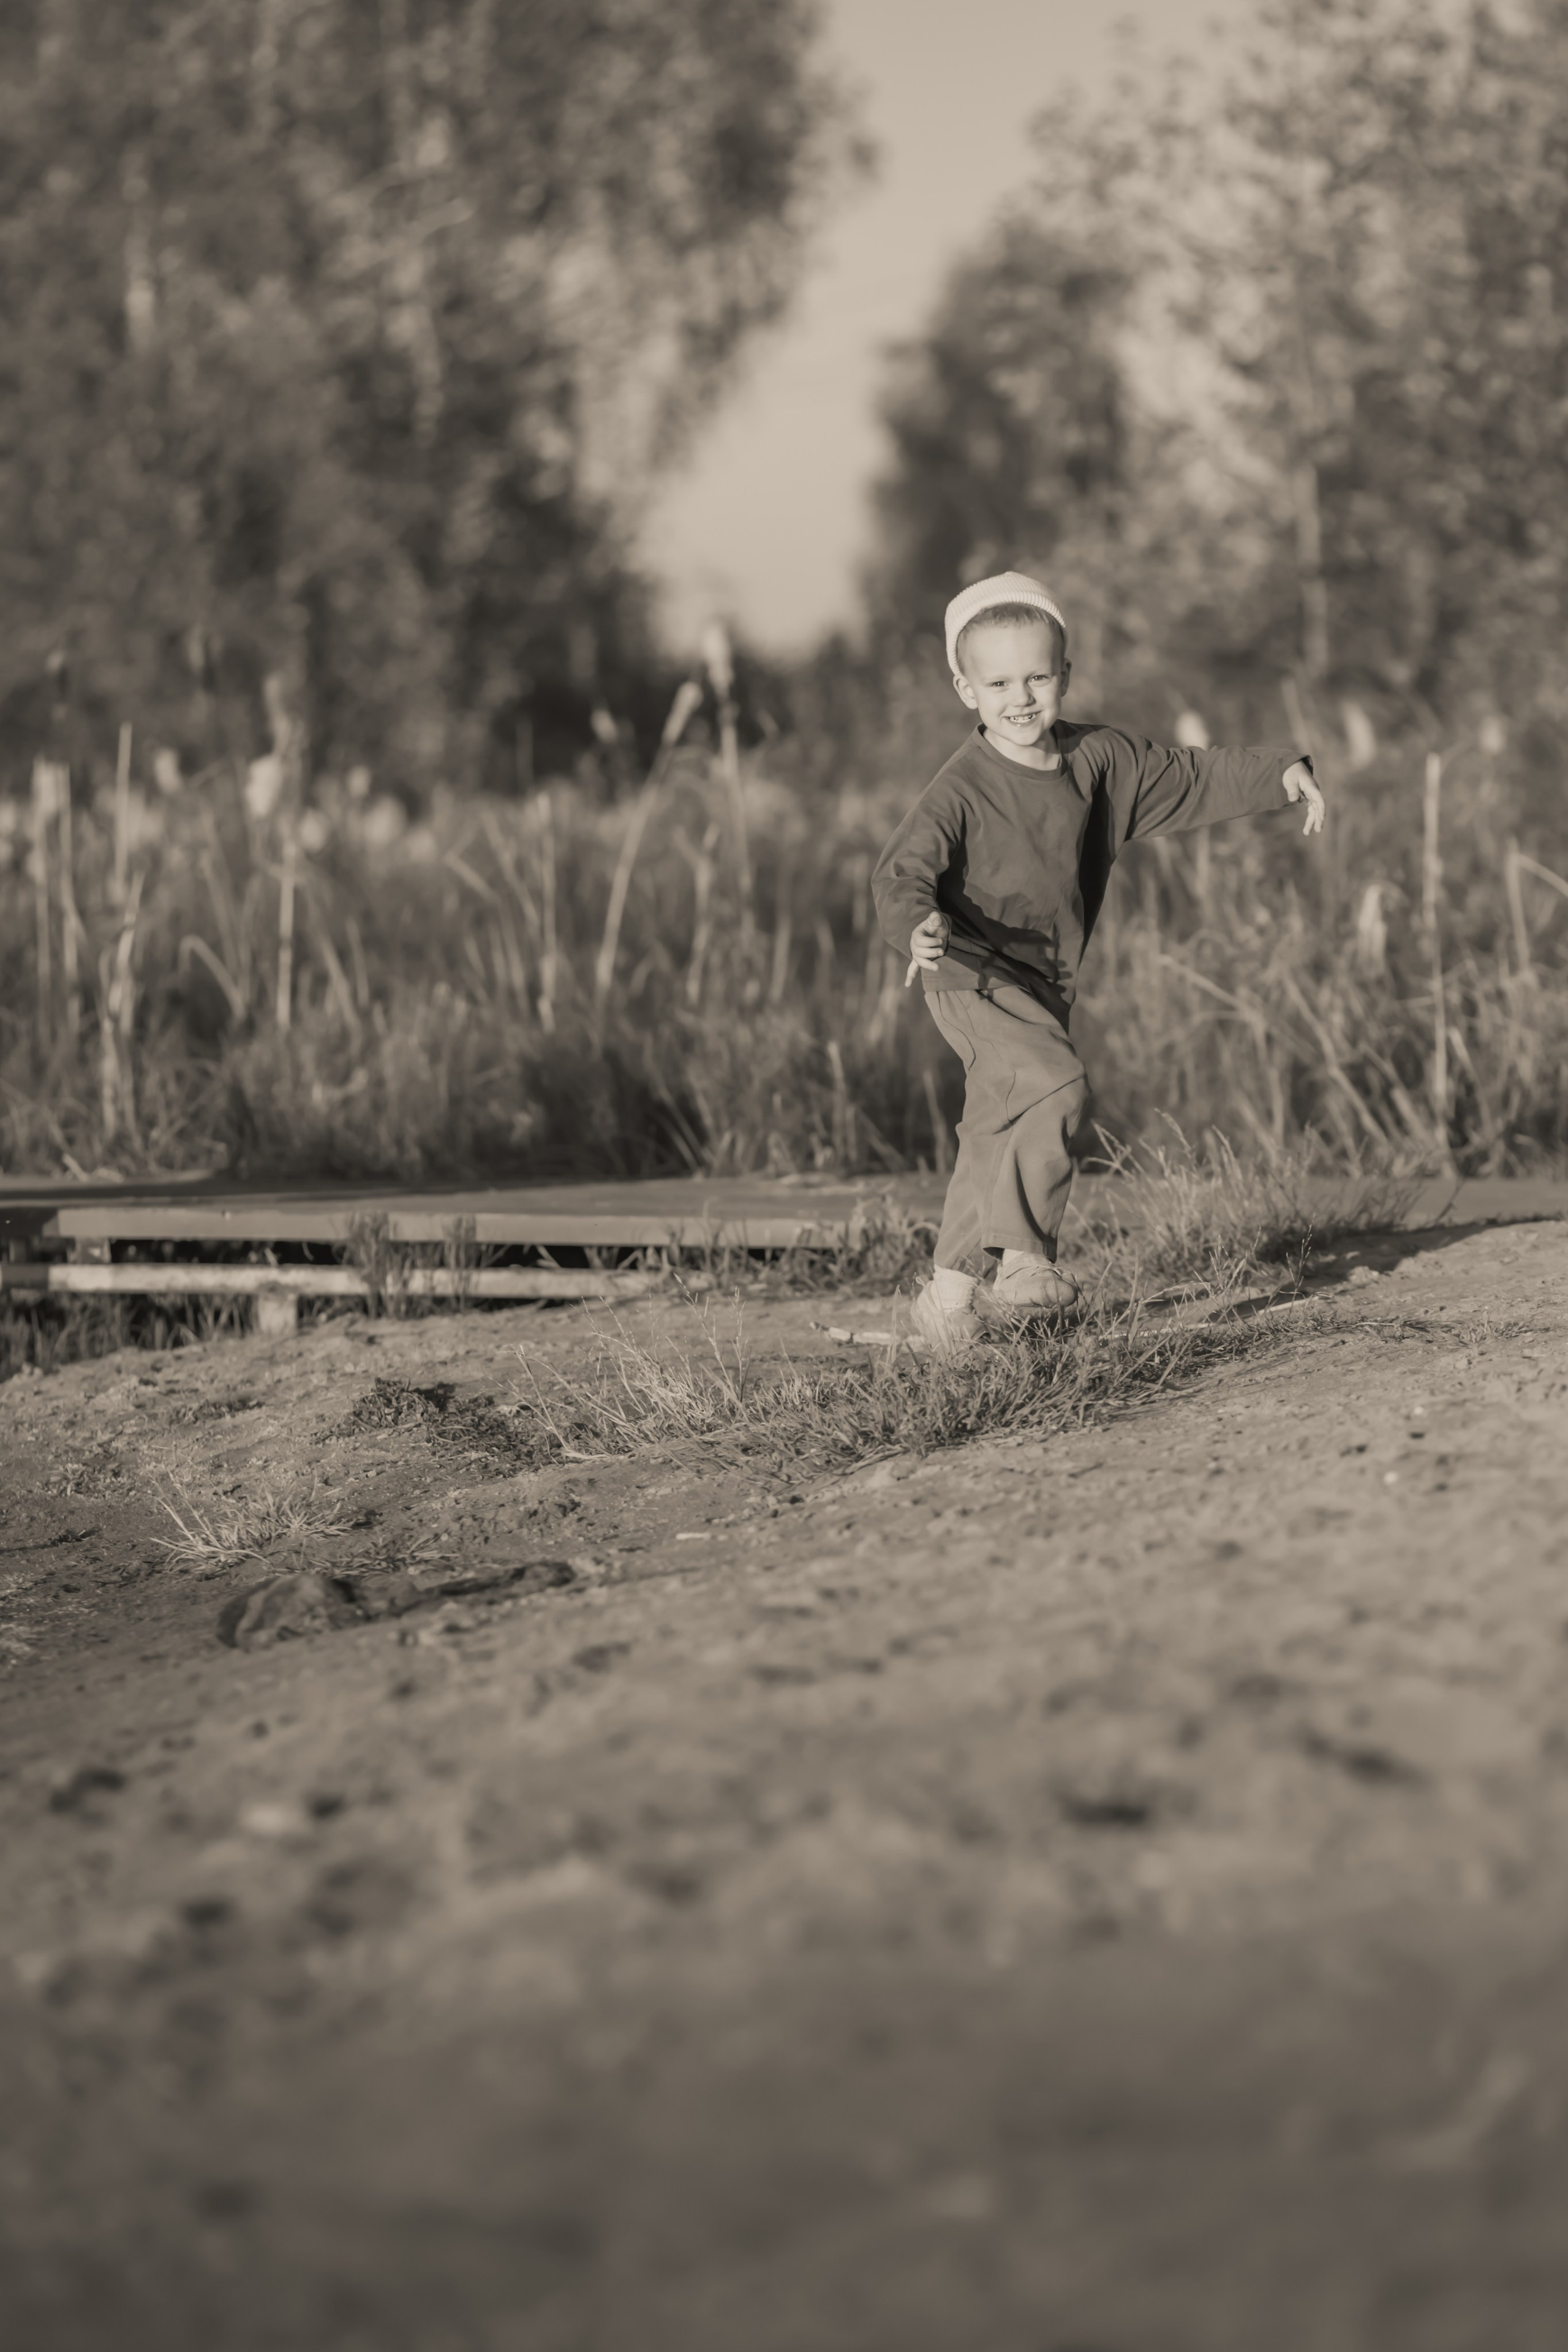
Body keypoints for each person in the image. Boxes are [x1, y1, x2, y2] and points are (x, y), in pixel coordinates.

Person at [871, 570, 1326, 1352]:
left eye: (1038, 677)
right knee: (1056, 1082)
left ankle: (944, 1308)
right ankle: (1021, 1265)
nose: (1021, 698)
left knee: (993, 1130)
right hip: (967, 970)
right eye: (999, 682)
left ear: (1065, 676)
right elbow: (902, 872)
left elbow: (1189, 775)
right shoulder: (962, 789)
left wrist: (1279, 771)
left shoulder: (1099, 762)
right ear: (964, 689)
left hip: (1040, 983)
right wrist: (915, 926)